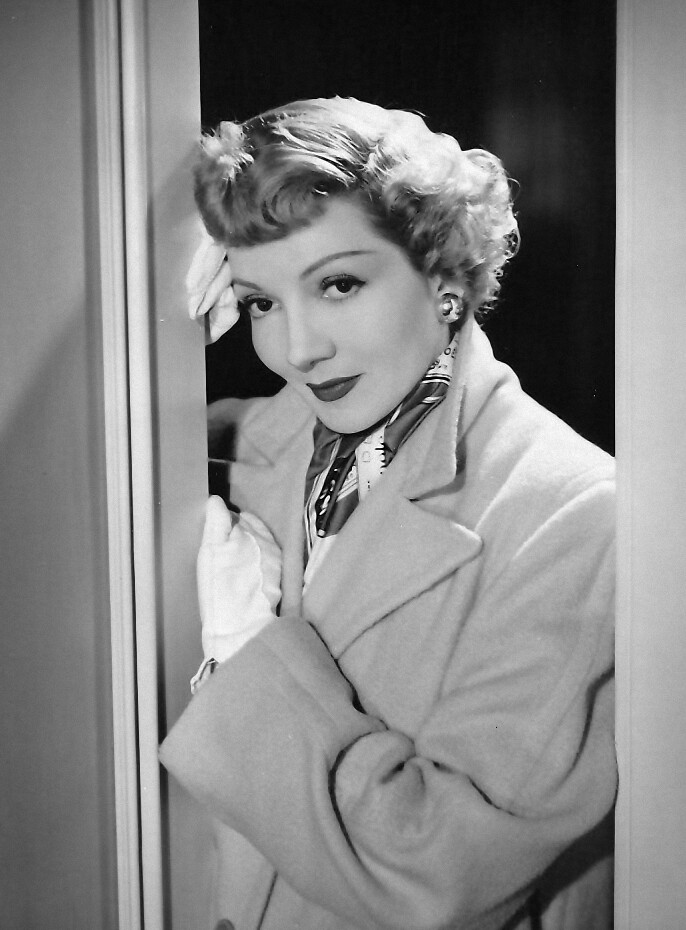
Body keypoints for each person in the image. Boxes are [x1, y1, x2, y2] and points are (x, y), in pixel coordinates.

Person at [160, 97, 616, 930]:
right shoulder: (246, 442)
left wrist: (252, 652)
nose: (298, 350)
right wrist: (156, 334)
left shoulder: (577, 514)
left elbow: (439, 873)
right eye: (261, 303)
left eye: (338, 284)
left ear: (445, 280)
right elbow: (81, 478)